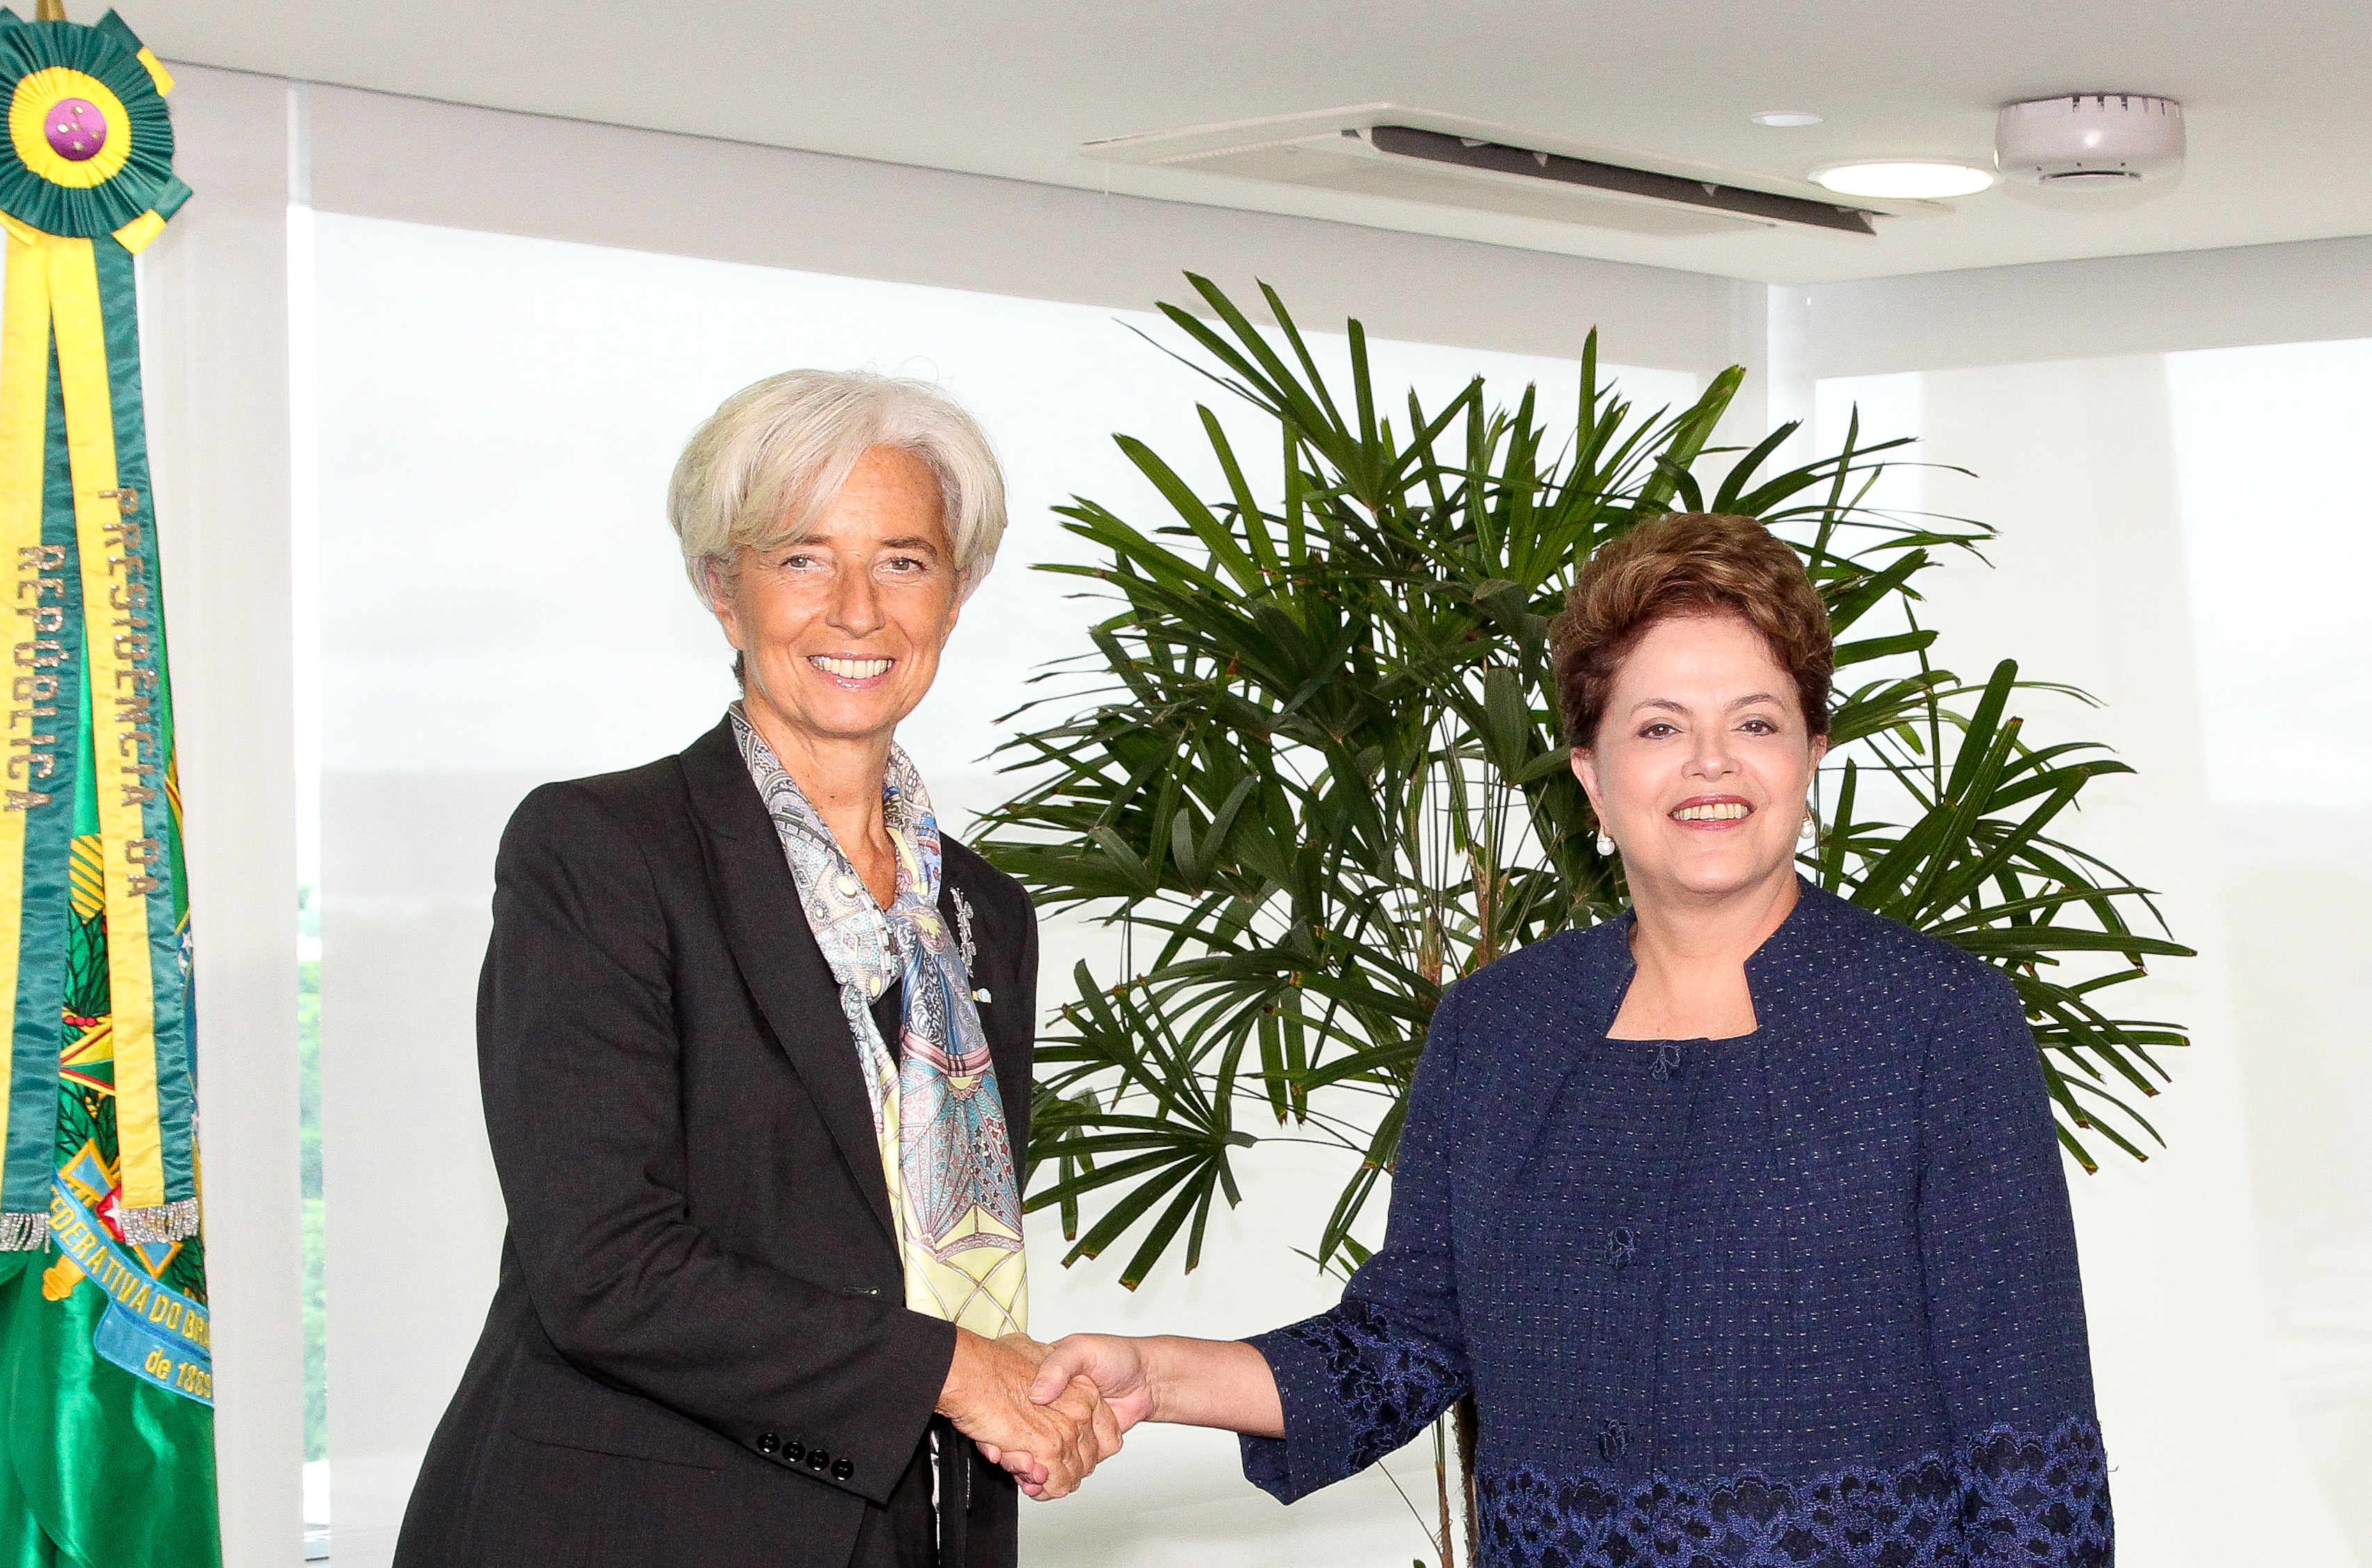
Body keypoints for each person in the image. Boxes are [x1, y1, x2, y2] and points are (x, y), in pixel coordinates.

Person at [1029, 513, 2113, 1566]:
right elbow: (1402, 1344)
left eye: (1755, 721)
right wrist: (1154, 1375)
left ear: (1809, 755)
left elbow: (2026, 1433)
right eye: (1656, 726)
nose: (1708, 764)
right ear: (1591, 775)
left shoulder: (1936, 1020)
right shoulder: (1497, 1027)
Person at [396, 370, 1115, 1568]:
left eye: (902, 560)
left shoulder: (983, 911)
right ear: (722, 592)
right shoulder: (601, 853)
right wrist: (955, 1372)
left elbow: (931, 1260)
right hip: (627, 1532)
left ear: (958, 588)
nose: (855, 610)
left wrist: (1009, 1402)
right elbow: (605, 1267)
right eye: (799, 559)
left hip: (907, 1523)